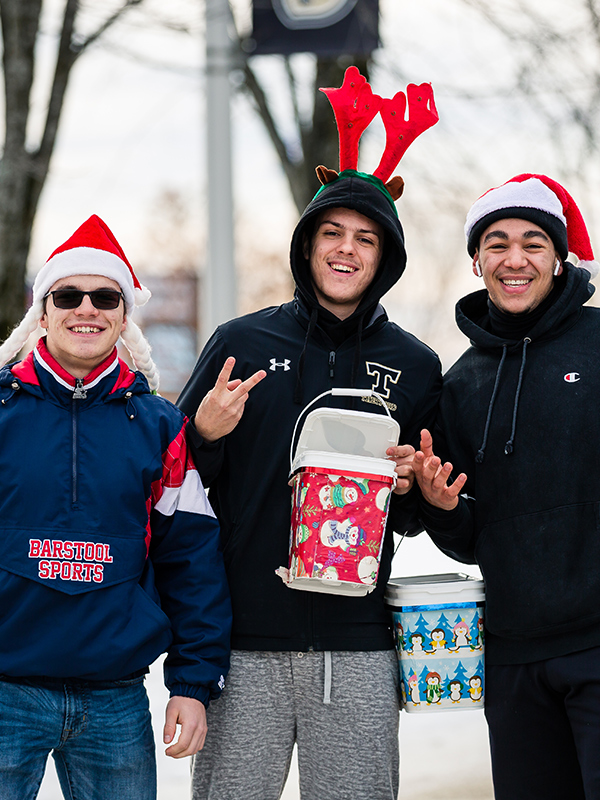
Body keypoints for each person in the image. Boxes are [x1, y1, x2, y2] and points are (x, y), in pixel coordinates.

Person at [178, 67, 442, 800]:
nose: (346, 249)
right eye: (332, 232)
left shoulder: (413, 366)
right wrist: (202, 433)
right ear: (307, 244)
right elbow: (175, 484)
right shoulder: (240, 340)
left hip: (355, 648)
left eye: (365, 237)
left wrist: (418, 489)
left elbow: (422, 508)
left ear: (384, 257)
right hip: (244, 643)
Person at [0, 215, 231, 800]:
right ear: (42, 312)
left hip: (116, 700)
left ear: (124, 317)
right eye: (68, 296)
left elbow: (192, 561)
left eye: (106, 297)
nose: (87, 309)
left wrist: (193, 684)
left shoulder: (160, 428)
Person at [413, 173, 600, 799]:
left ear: (559, 255)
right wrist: (442, 508)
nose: (514, 259)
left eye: (532, 242)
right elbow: (471, 537)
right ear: (476, 260)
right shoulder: (461, 384)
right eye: (496, 243)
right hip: (514, 656)